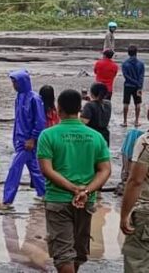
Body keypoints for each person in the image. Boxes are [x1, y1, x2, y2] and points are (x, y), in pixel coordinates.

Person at [37, 89, 111, 273]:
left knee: (64, 255)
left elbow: (46, 169)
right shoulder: (96, 136)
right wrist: (86, 191)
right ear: (79, 109)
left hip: (58, 199)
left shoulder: (48, 135)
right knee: (76, 253)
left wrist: (73, 189)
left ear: (58, 108)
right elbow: (105, 170)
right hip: (86, 201)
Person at [0, 70, 46, 210]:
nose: (13, 85)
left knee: (15, 169)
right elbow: (18, 121)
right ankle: (45, 193)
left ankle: (7, 201)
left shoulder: (34, 99)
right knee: (35, 168)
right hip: (21, 140)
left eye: (15, 82)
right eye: (13, 82)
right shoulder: (19, 97)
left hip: (28, 142)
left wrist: (33, 139)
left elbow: (40, 121)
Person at [120, 108, 149, 271]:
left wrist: (124, 215)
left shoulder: (145, 141)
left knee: (137, 264)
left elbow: (135, 181)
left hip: (145, 212)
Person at [122, 45, 145, 127]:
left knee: (126, 103)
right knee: (138, 103)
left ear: (128, 53)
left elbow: (125, 76)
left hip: (128, 85)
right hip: (138, 86)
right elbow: (142, 76)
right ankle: (136, 121)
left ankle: (125, 121)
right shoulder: (141, 64)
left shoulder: (125, 64)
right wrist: (139, 85)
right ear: (136, 53)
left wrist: (133, 82)